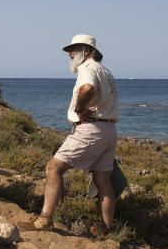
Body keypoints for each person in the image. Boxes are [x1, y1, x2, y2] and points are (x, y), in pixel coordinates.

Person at [31, 34, 119, 234]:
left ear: (87, 52)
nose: (70, 53)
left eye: (75, 49)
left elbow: (87, 88)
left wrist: (80, 109)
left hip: (91, 129)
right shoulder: (106, 71)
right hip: (109, 130)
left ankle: (44, 220)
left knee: (53, 168)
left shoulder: (87, 68)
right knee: (102, 180)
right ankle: (107, 230)